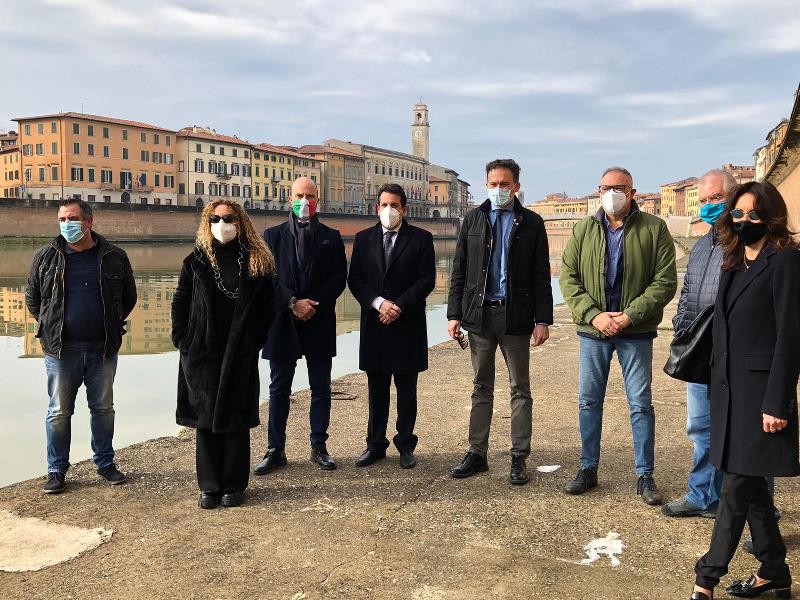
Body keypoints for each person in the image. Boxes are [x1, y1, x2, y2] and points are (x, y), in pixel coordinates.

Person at [691, 181, 800, 600]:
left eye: (754, 214)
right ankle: (774, 571)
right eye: (738, 213)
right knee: (752, 488)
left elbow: (790, 337)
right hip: (728, 391)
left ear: (770, 217)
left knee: (734, 487)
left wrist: (778, 402)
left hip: (762, 395)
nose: (745, 220)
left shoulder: (786, 260)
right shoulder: (733, 260)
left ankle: (706, 578)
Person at [559, 166, 676, 505]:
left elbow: (665, 281)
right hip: (593, 330)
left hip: (635, 330)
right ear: (598, 191)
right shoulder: (583, 229)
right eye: (606, 188)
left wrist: (628, 316)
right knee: (588, 401)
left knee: (640, 404)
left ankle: (645, 475)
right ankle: (588, 468)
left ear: (632, 192)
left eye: (620, 188)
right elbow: (568, 278)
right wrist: (594, 315)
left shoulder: (654, 228)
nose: (612, 194)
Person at [446, 159, 553, 485]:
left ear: (516, 186)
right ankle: (477, 453)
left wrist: (543, 319)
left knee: (519, 387)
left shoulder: (532, 222)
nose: (498, 189)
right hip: (479, 315)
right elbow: (459, 270)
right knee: (481, 386)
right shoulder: (473, 220)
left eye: (504, 184)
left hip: (515, 315)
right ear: (486, 185)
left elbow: (541, 275)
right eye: (493, 184)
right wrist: (454, 314)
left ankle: (519, 457)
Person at [25, 199, 137, 494]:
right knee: (59, 412)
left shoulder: (114, 256)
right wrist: (50, 325)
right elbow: (33, 298)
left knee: (103, 409)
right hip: (61, 350)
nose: (66, 224)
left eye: (72, 218)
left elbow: (129, 297)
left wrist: (110, 322)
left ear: (88, 221)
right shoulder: (45, 256)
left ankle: (105, 464)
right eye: (62, 219)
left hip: (102, 348)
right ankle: (56, 470)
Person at [172, 200, 275, 509]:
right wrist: (183, 340)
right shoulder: (195, 262)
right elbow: (180, 302)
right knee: (205, 421)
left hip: (240, 350)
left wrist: (255, 341)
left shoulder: (257, 262)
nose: (222, 224)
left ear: (240, 222)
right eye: (215, 219)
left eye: (228, 218)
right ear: (207, 224)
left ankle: (234, 485)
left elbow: (268, 308)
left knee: (236, 418)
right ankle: (209, 486)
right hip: (201, 351)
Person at [254, 177, 347, 475]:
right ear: (290, 198)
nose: (304, 201)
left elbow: (339, 277)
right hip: (283, 321)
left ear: (318, 200)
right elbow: (266, 277)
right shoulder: (272, 236)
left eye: (309, 196)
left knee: (321, 388)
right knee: (279, 388)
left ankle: (319, 446)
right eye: (299, 195)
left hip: (319, 319)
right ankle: (275, 449)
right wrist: (293, 302)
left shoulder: (332, 237)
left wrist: (311, 304)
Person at [662, 169, 736, 519]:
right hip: (699, 351)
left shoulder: (747, 241)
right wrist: (681, 325)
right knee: (701, 427)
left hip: (734, 353)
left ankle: (755, 508)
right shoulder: (704, 244)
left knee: (743, 431)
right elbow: (688, 289)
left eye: (716, 198)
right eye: (704, 200)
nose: (708, 206)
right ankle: (703, 495)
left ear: (734, 196)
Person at [347, 183, 435, 468]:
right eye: (384, 205)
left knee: (407, 391)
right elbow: (355, 279)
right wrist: (379, 303)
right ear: (377, 208)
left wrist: (398, 306)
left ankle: (406, 445)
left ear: (404, 209)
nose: (389, 210)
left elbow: (426, 280)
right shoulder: (363, 239)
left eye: (394, 205)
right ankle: (375, 445)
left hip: (407, 323)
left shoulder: (421, 239)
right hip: (375, 324)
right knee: (377, 390)